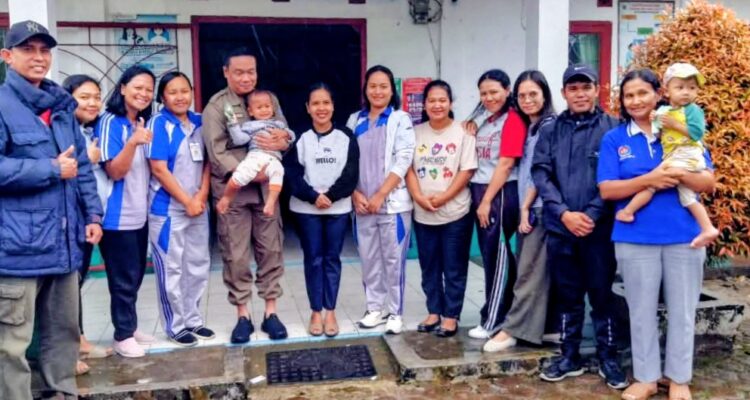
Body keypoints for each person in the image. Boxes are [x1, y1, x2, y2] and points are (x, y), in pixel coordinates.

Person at [598, 69, 716, 400]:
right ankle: (647, 378)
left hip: (685, 237)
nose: (636, 100)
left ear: (657, 94)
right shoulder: (615, 139)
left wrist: (677, 175)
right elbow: (607, 189)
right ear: (623, 101)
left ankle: (678, 378)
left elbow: (708, 182)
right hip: (635, 237)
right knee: (640, 312)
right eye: (629, 95)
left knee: (683, 311)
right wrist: (650, 180)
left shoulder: (681, 129)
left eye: (643, 93)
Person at [0, 20, 103, 400]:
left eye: (44, 50)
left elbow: (83, 168)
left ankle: (62, 393)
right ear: (7, 56)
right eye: (28, 49)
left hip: (63, 242)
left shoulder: (61, 108)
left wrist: (93, 215)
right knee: (12, 343)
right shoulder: (2, 105)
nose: (38, 57)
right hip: (17, 246)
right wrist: (49, 169)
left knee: (64, 332)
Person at [532, 64, 627, 389]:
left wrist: (591, 214)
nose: (580, 94)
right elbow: (541, 172)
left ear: (596, 89)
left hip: (599, 230)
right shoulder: (550, 130)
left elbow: (617, 177)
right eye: (573, 88)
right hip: (561, 229)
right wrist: (563, 214)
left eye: (586, 87)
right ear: (563, 93)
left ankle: (608, 357)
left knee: (602, 295)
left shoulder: (613, 128)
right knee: (567, 296)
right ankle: (568, 355)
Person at [202, 48, 290, 343]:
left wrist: (283, 142)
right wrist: (251, 173)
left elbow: (283, 135)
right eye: (239, 72)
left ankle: (270, 312)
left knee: (271, 250)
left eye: (251, 71)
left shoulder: (268, 99)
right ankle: (243, 315)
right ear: (226, 72)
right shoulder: (216, 107)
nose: (246, 78)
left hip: (266, 193)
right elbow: (217, 152)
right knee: (236, 255)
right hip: (235, 191)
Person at [483, 70, 556, 352]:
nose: (527, 100)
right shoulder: (533, 126)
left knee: (528, 272)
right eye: (522, 95)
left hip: (538, 207)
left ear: (545, 95)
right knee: (536, 269)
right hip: (533, 206)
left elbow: (542, 171)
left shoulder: (548, 126)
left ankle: (512, 330)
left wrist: (525, 207)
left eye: (533, 94)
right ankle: (547, 328)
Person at [615, 62, 718, 248]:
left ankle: (628, 211)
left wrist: (673, 125)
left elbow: (708, 182)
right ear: (667, 91)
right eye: (680, 87)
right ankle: (707, 228)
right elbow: (658, 132)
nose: (686, 93)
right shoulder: (662, 112)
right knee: (686, 197)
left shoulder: (692, 110)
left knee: (653, 183)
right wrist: (656, 122)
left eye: (692, 88)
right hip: (673, 154)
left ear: (657, 94)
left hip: (685, 154)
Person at [285, 83, 359, 337]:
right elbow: (292, 173)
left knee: (332, 258)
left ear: (333, 106)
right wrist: (313, 196)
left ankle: (331, 311)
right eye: (315, 103)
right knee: (313, 259)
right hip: (306, 209)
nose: (321, 108)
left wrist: (331, 195)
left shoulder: (346, 136)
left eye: (326, 102)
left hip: (338, 208)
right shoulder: (299, 136)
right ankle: (316, 311)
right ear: (307, 107)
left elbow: (351, 173)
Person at [405, 80, 477, 337]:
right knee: (429, 266)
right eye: (432, 100)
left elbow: (467, 170)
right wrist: (418, 196)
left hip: (456, 212)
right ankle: (434, 311)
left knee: (454, 267)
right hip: (423, 211)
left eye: (442, 100)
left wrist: (444, 197)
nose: (437, 105)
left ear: (451, 103)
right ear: (424, 104)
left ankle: (451, 316)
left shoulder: (464, 132)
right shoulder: (414, 133)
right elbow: (408, 168)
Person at [347, 65, 415, 335]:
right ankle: (374, 308)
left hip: (392, 205)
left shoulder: (400, 119)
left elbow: (404, 159)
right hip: (362, 206)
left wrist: (380, 195)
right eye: (372, 86)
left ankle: (395, 312)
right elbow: (347, 162)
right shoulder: (355, 120)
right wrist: (355, 193)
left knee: (394, 261)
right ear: (365, 89)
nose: (378, 91)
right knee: (369, 259)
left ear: (391, 90)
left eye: (383, 86)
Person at [147, 71, 213, 347]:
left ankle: (193, 319)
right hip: (167, 210)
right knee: (171, 267)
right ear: (162, 97)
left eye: (184, 91)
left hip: (199, 206)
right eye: (172, 92)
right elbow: (159, 169)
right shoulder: (159, 123)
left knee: (197, 264)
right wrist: (187, 201)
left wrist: (202, 196)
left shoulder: (200, 121)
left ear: (192, 92)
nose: (180, 97)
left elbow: (209, 162)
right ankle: (175, 325)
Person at [96, 64, 157, 358]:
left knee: (134, 275)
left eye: (149, 90)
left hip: (139, 213)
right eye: (138, 88)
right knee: (122, 279)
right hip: (115, 216)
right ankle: (122, 335)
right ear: (122, 88)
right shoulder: (110, 122)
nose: (143, 94)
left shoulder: (142, 122)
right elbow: (115, 171)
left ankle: (129, 327)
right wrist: (133, 142)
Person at [465, 69, 527, 340]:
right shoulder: (489, 120)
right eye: (484, 93)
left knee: (496, 256)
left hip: (500, 193)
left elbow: (506, 164)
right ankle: (503, 312)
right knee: (494, 255)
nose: (489, 97)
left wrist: (487, 200)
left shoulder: (512, 119)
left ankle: (494, 319)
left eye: (494, 92)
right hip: (482, 190)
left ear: (507, 91)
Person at [62, 74, 113, 374]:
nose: (93, 103)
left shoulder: (86, 130)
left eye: (96, 96)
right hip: (72, 218)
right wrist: (89, 159)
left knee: (75, 283)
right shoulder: (65, 132)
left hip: (88, 217)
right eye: (84, 97)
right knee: (68, 285)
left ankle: (79, 340)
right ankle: (70, 347)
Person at [216, 89, 294, 217]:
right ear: (250, 111)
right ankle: (226, 197)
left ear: (273, 108)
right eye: (259, 107)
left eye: (267, 106)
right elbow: (240, 139)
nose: (264, 110)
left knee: (278, 171)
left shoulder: (279, 124)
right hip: (256, 156)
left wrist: (285, 133)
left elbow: (292, 136)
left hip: (274, 158)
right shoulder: (250, 126)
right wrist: (233, 124)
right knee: (241, 174)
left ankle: (270, 202)